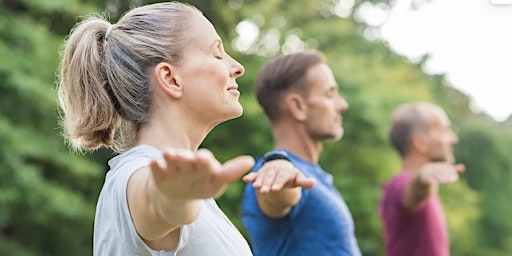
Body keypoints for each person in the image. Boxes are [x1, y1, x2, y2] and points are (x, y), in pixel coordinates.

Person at [57, 2, 260, 255]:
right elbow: (156, 203)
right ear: (170, 79)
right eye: (216, 53)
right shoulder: (137, 176)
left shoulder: (186, 188)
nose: (237, 67)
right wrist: (173, 198)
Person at [241, 50, 362, 256]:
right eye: (329, 94)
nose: (342, 105)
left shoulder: (313, 175)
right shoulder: (273, 174)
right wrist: (279, 170)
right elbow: (278, 194)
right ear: (298, 106)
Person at [378, 102, 465, 256]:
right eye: (444, 130)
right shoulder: (399, 185)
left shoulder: (426, 191)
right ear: (420, 143)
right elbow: (412, 189)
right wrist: (421, 177)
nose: (454, 138)